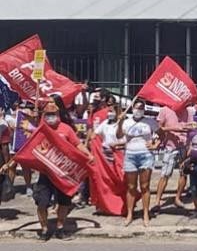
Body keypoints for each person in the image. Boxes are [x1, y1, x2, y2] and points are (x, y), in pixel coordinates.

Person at [3, 102, 95, 240]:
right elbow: (26, 150)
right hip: (46, 174)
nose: (51, 117)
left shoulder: (66, 129)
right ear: (44, 116)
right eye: (48, 114)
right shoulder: (40, 130)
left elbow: (78, 144)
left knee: (64, 203)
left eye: (54, 114)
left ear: (58, 115)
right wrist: (10, 164)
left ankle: (60, 228)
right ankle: (44, 229)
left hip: (62, 174)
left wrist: (89, 155)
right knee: (42, 203)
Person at [116, 101, 158, 227]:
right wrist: (120, 123)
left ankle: (146, 213)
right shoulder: (127, 121)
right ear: (132, 108)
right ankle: (130, 214)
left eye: (141, 108)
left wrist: (155, 145)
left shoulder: (150, 121)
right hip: (130, 155)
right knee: (131, 187)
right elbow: (119, 135)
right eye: (136, 107)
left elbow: (161, 134)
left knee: (145, 186)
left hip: (145, 155)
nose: (138, 110)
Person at [154, 105, 193, 211]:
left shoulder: (188, 110)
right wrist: (173, 129)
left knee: (184, 173)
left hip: (183, 145)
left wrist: (189, 143)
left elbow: (191, 127)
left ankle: (178, 197)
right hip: (170, 147)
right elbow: (159, 129)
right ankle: (157, 200)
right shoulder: (164, 110)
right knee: (165, 174)